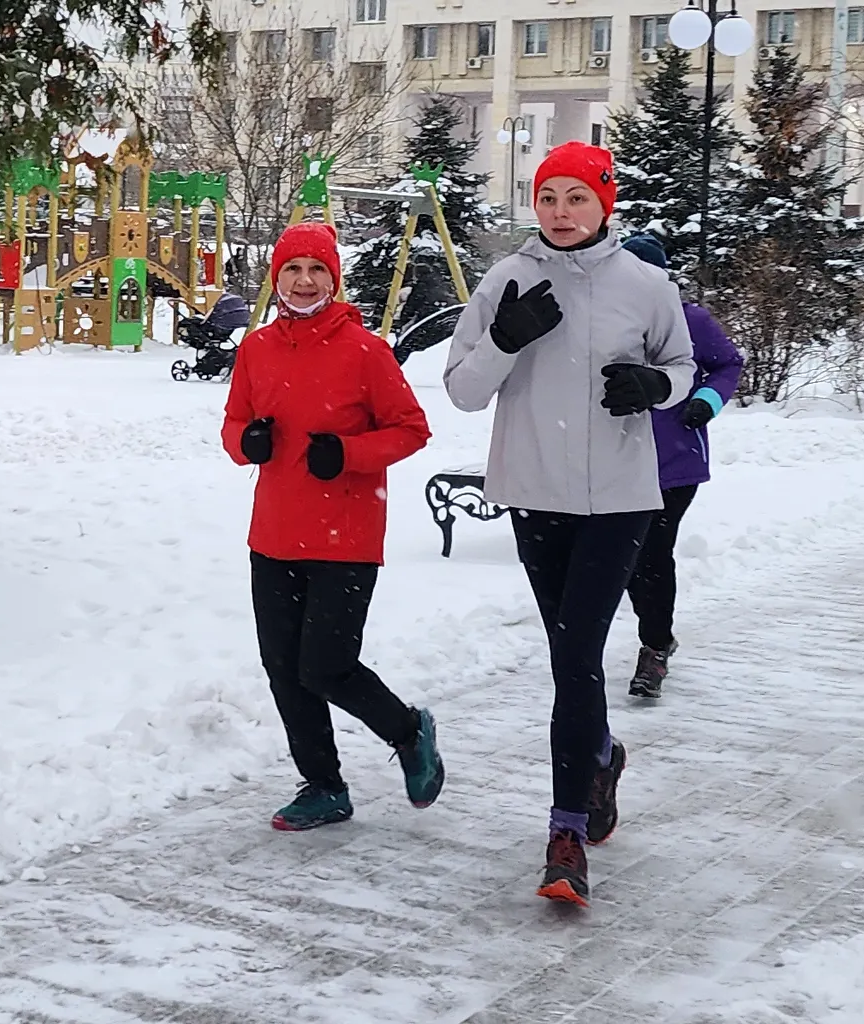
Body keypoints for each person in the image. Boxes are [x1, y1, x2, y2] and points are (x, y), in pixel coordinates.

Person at [443, 142, 695, 907]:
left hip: (621, 497)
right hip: (535, 491)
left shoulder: (646, 285)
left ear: (604, 203)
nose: (560, 212)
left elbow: (683, 367)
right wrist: (505, 339)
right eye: (548, 197)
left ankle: (566, 834)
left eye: (576, 197)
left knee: (577, 653)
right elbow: (461, 390)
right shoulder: (505, 280)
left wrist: (654, 386)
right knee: (570, 658)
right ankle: (601, 755)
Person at [222, 221, 446, 831]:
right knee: (283, 667)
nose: (304, 281)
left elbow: (411, 429)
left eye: (317, 269)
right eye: (293, 269)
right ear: (276, 278)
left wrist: (348, 453)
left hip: (344, 537)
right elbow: (233, 425)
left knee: (324, 665)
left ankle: (408, 731)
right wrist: (248, 442)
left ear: (334, 278)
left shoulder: (366, 351)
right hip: (273, 535)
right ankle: (323, 786)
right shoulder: (256, 349)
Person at [615, 233, 745, 701]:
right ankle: (657, 635)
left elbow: (727, 364)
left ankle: (653, 648)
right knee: (623, 558)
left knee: (650, 554)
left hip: (674, 461)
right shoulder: (605, 322)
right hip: (614, 458)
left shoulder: (690, 320)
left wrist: (706, 401)